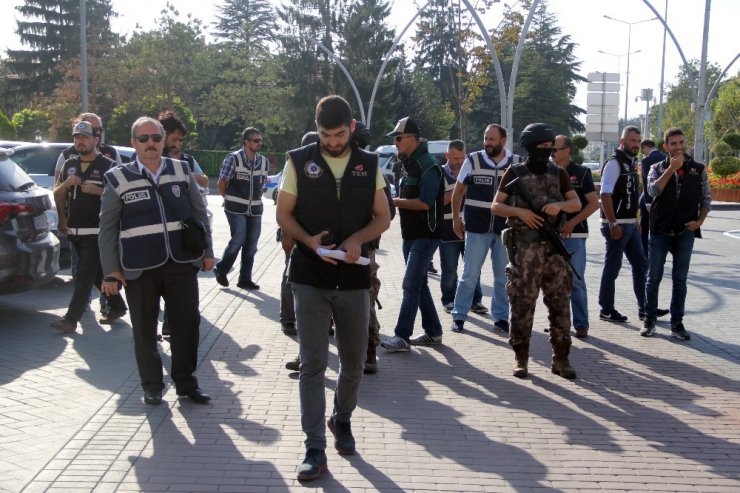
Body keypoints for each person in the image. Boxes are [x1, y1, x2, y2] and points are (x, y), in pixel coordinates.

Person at [276, 96, 390, 480]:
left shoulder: (369, 163)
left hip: (355, 277)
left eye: (340, 134)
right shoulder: (298, 160)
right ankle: (314, 449)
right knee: (313, 364)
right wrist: (309, 242)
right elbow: (283, 214)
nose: (333, 141)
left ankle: (341, 418)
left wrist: (358, 239)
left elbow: (383, 217)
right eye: (326, 134)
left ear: (352, 128)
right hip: (309, 276)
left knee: (354, 361)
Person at [99, 116, 214, 406]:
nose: (150, 144)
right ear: (133, 143)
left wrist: (208, 252)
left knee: (187, 324)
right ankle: (151, 385)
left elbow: (200, 215)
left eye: (155, 138)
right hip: (139, 268)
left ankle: (186, 383)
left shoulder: (181, 169)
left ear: (164, 141)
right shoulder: (117, 178)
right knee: (144, 329)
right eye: (143, 139)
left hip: (180, 263)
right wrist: (112, 270)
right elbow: (107, 228)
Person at [492, 123, 581, 379]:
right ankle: (521, 359)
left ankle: (561, 360)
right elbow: (496, 206)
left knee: (561, 307)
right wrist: (520, 212)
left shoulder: (558, 173)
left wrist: (559, 205)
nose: (547, 152)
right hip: (525, 252)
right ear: (530, 147)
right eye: (542, 147)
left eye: (549, 147)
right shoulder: (515, 172)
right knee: (522, 306)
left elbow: (576, 203)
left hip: (554, 253)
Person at [49, 121, 127, 333]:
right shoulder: (69, 164)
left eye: (84, 137)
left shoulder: (109, 166)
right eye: (77, 137)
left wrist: (98, 191)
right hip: (74, 231)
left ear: (96, 139)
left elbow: (122, 198)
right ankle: (117, 305)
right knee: (96, 276)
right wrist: (62, 214)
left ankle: (70, 319)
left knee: (83, 275)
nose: (80, 141)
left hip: (98, 232)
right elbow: (57, 194)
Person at [380, 116, 445, 352]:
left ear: (411, 139)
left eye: (397, 138)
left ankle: (402, 336)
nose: (395, 143)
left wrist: (392, 202)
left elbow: (425, 203)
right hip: (410, 235)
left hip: (426, 235)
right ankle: (434, 332)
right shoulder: (408, 163)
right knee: (419, 284)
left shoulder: (428, 164)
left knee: (410, 284)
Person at [641, 128, 711, 340]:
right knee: (653, 277)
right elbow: (652, 191)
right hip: (660, 230)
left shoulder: (698, 169)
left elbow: (706, 199)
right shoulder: (656, 167)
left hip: (684, 231)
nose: (678, 147)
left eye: (681, 143)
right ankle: (649, 320)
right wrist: (671, 169)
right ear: (666, 147)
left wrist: (699, 221)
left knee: (680, 279)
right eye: (673, 144)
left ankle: (677, 323)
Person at [449, 124, 518, 334]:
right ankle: (459, 315)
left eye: (492, 139)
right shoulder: (473, 160)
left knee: (502, 276)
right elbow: (458, 191)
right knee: (469, 274)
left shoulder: (516, 163)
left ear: (503, 140)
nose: (487, 143)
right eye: (485, 138)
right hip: (477, 228)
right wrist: (456, 219)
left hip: (504, 230)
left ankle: (500, 317)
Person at [158, 111, 210, 336]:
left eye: (180, 140)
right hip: (155, 236)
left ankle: (171, 324)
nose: (177, 143)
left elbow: (204, 180)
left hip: (184, 234)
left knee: (177, 282)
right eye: (174, 138)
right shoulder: (147, 162)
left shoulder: (187, 161)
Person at [598, 126, 651, 323]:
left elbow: (632, 194)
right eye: (632, 141)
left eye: (638, 141)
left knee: (641, 263)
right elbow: (604, 194)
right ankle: (606, 308)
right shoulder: (614, 163)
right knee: (613, 266)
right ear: (622, 142)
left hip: (630, 224)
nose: (636, 145)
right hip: (616, 224)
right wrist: (612, 223)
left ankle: (645, 307)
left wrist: (637, 220)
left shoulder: (631, 162)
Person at [551, 135, 599, 338]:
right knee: (554, 282)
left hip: (575, 234)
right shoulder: (547, 173)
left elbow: (593, 203)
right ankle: (558, 323)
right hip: (551, 236)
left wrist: (572, 221)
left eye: (556, 149)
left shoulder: (581, 173)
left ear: (568, 150)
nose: (552, 153)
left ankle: (581, 324)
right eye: (550, 149)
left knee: (576, 280)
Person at [214, 127, 269, 290]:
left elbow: (262, 184)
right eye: (256, 140)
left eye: (260, 140)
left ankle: (245, 279)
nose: (259, 143)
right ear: (246, 142)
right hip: (235, 208)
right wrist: (229, 199)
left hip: (256, 209)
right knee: (238, 238)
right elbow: (221, 183)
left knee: (251, 245)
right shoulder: (233, 158)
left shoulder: (264, 162)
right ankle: (221, 269)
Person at [280, 131, 320, 338]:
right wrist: (287, 235)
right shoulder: (294, 166)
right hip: (294, 232)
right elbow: (285, 208)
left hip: (315, 234)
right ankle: (287, 318)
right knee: (290, 276)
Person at [438, 139, 484, 314]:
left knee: (474, 268)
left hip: (471, 228)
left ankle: (475, 301)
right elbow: (439, 201)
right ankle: (449, 300)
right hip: (448, 229)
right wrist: (459, 189)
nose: (458, 162)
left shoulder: (473, 172)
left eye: (462, 157)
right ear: (447, 155)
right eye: (455, 158)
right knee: (449, 269)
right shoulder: (439, 173)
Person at [639, 139, 665, 255]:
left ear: (645, 147)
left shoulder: (647, 160)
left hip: (649, 197)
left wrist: (648, 202)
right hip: (663, 197)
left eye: (642, 149)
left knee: (644, 228)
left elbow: (646, 182)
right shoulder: (665, 157)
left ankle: (645, 252)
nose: (642, 152)